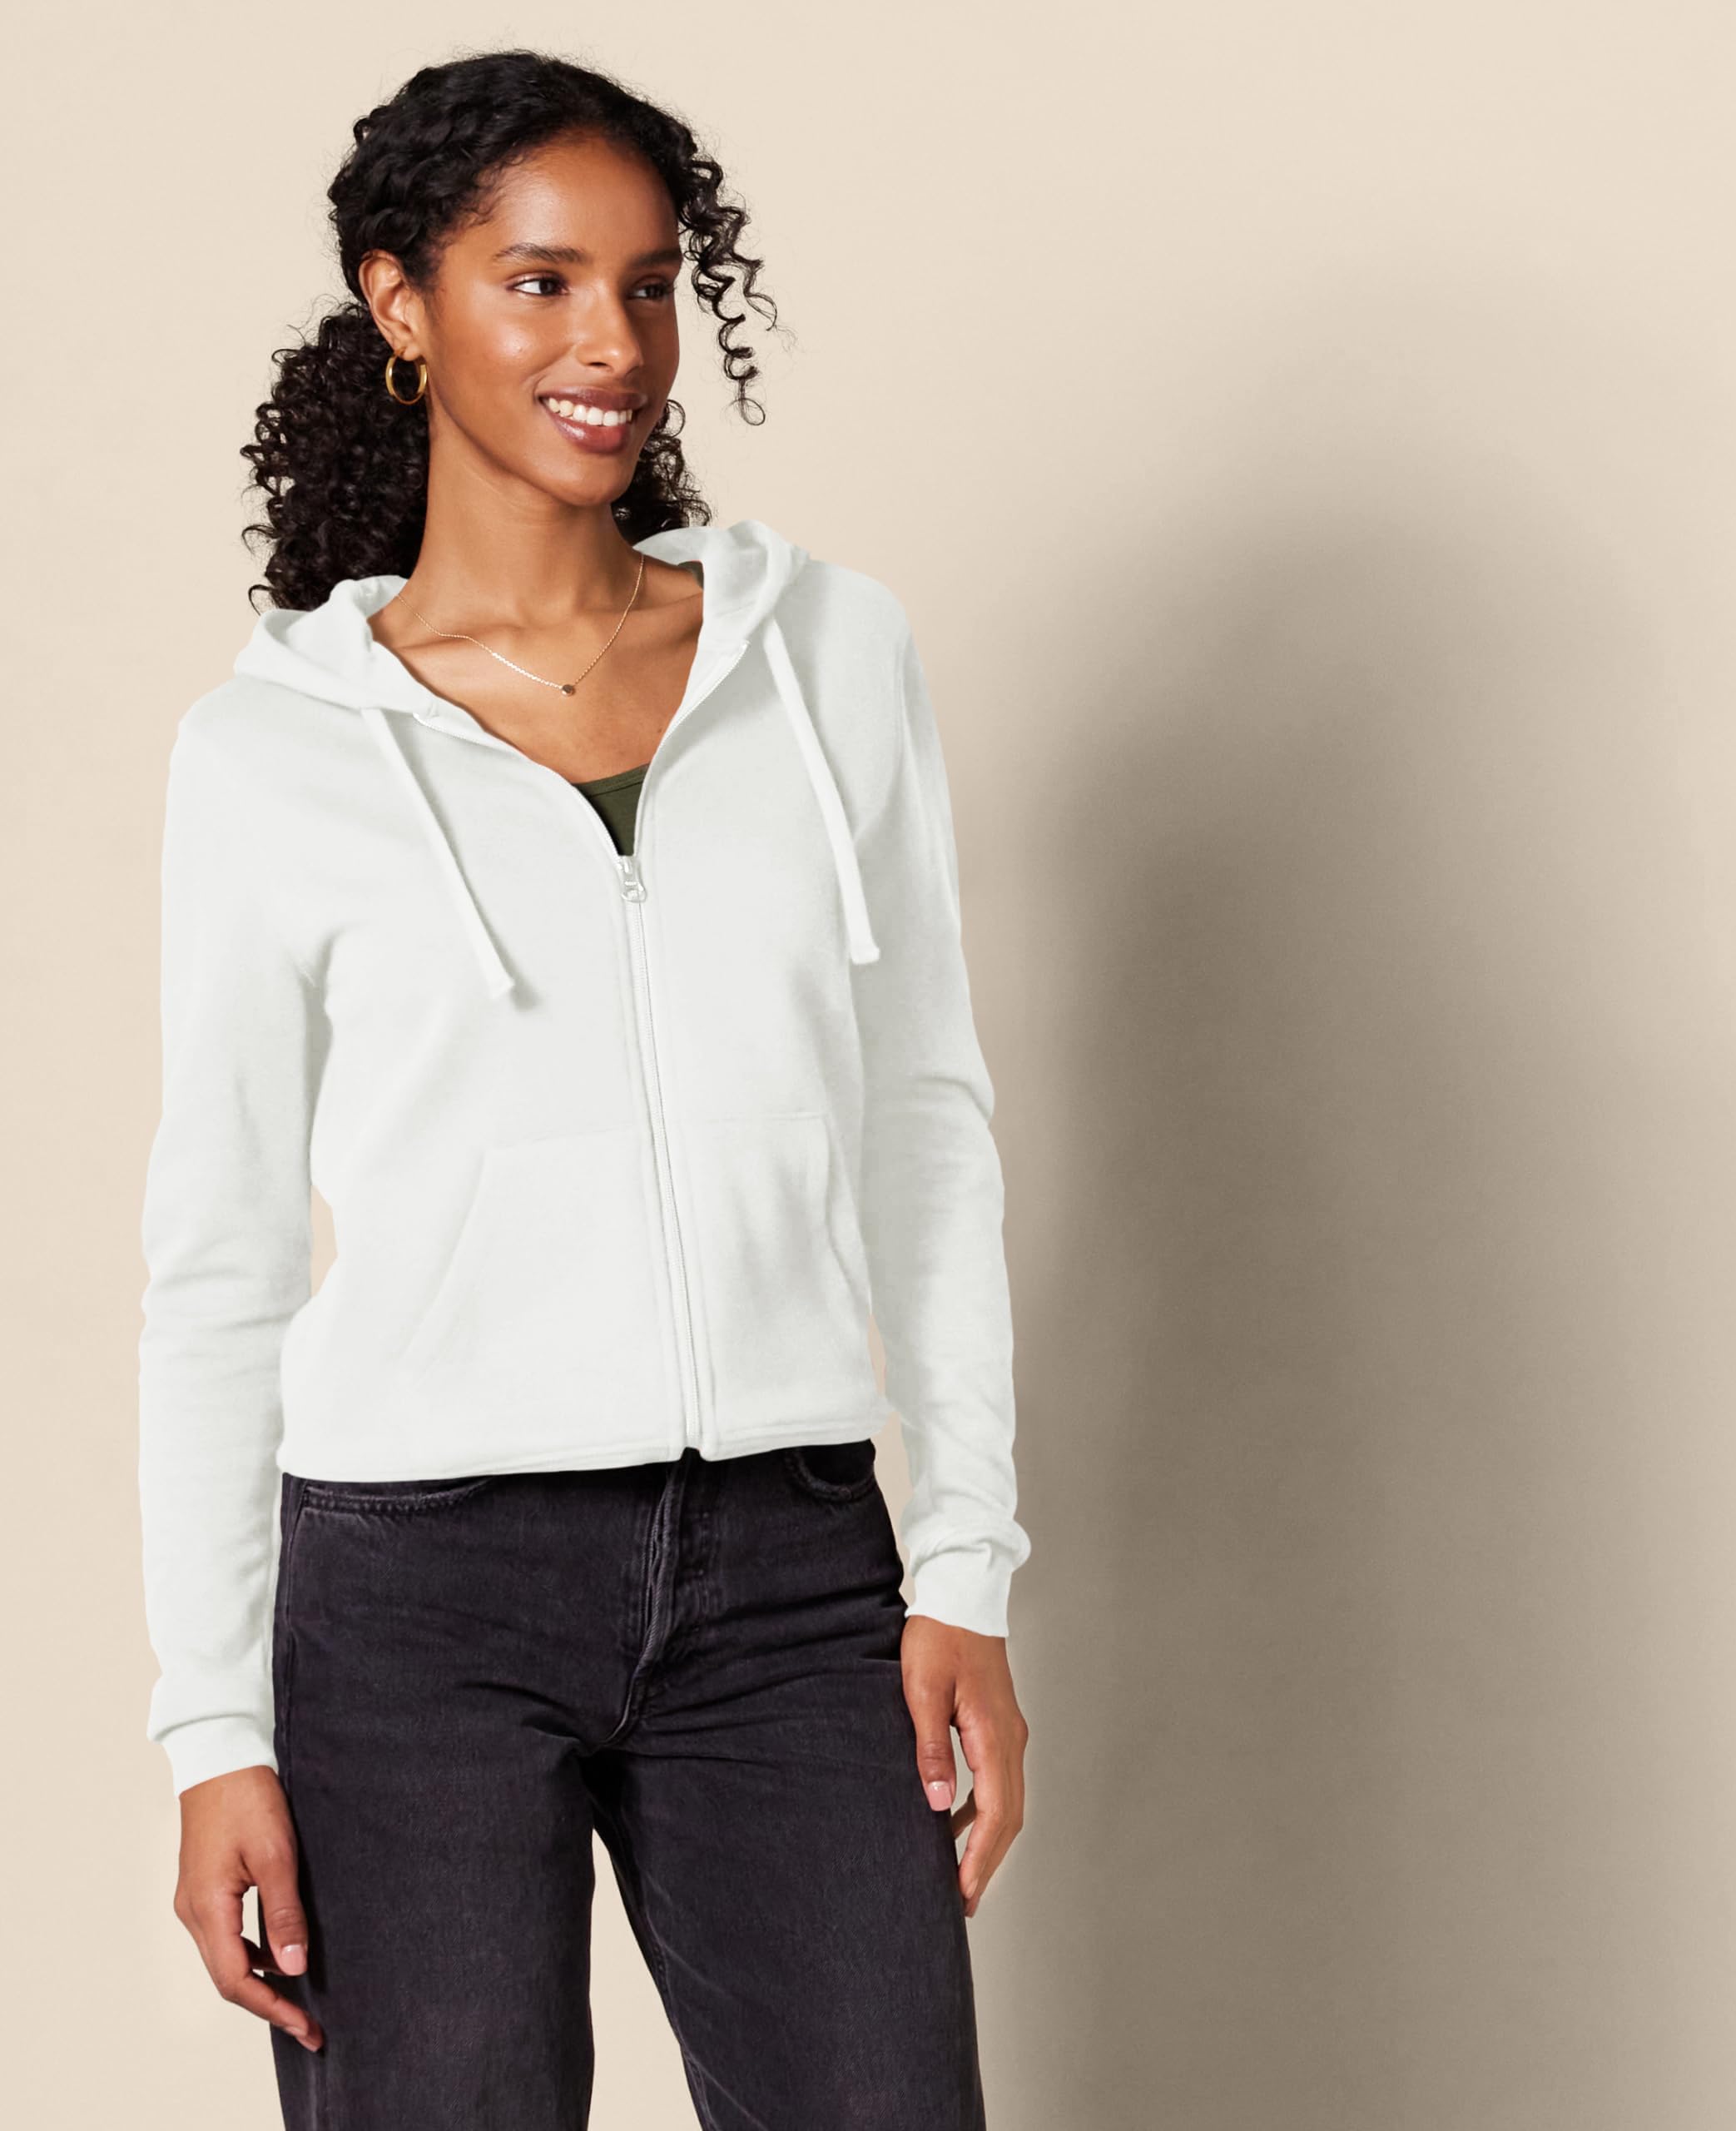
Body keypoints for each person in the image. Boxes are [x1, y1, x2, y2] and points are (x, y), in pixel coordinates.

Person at [136, 48, 1029, 2130]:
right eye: (536, 283)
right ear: (400, 302)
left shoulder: (829, 659)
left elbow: (922, 1122)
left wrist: (962, 1564)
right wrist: (211, 1727)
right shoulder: (273, 755)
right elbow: (219, 1263)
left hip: (789, 1569)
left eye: (643, 284)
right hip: (413, 1598)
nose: (607, 345)